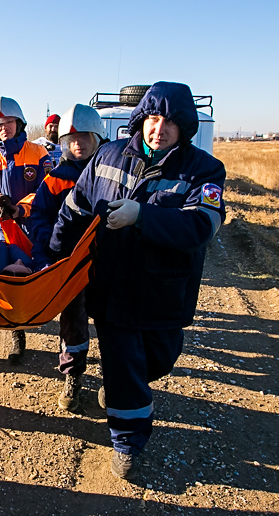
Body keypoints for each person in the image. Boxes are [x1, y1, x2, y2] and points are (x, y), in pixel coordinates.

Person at [50, 82, 226, 479]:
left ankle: (119, 388)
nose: (158, 129)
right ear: (141, 119)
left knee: (159, 359)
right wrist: (54, 256)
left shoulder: (204, 169)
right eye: (153, 118)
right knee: (125, 365)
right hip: (112, 289)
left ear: (185, 128)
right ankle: (127, 441)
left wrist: (142, 215)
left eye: (170, 122)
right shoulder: (108, 155)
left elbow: (203, 223)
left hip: (164, 291)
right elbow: (75, 207)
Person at [28, 104, 106, 412]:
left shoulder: (110, 175)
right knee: (73, 325)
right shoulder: (54, 180)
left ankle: (113, 378)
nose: (78, 143)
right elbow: (38, 217)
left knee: (112, 323)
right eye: (71, 137)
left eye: (85, 136)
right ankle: (73, 376)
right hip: (70, 267)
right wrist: (47, 250)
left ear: (97, 138)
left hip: (107, 265)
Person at [0, 96, 52, 364]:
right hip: (3, 232)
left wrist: (21, 209)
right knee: (10, 280)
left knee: (35, 280)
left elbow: (46, 191)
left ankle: (40, 317)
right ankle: (16, 334)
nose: (3, 128)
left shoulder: (38, 153)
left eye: (8, 122)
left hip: (32, 229)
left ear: (19, 123)